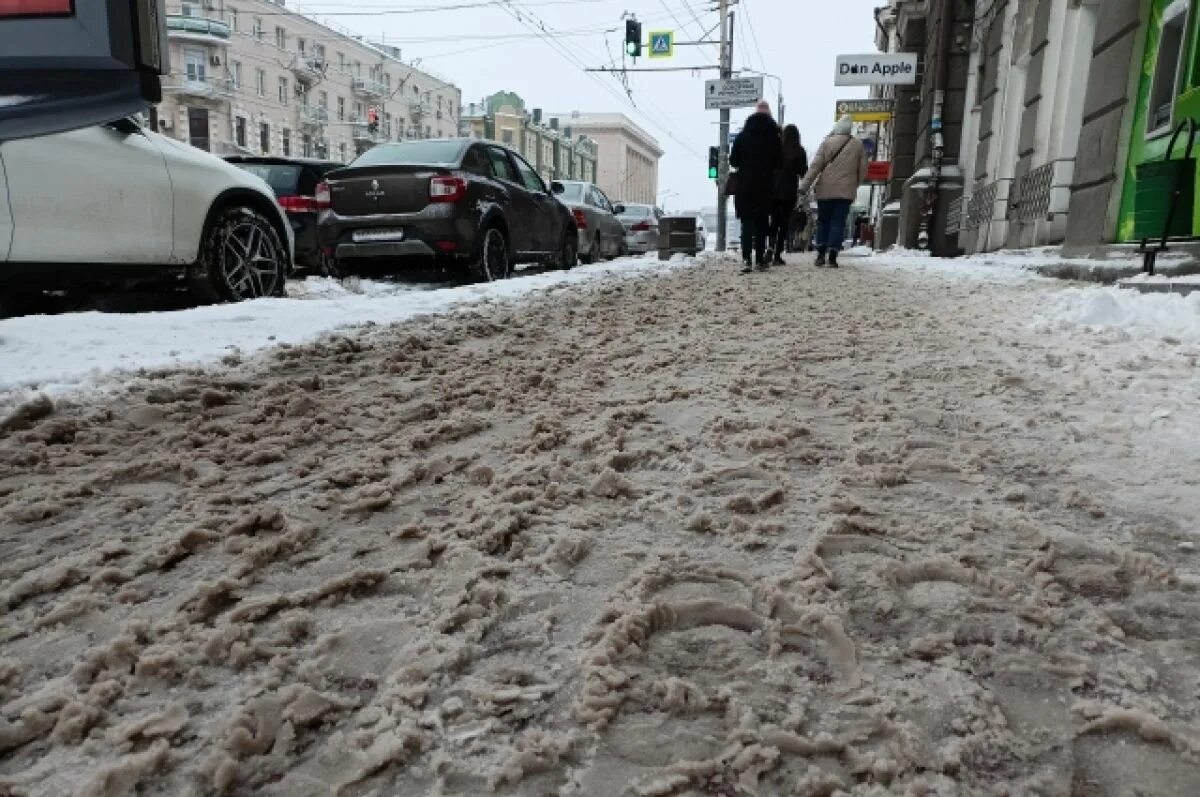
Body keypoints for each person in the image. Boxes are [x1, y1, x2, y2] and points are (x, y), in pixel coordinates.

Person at [799, 114, 869, 268]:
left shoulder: (827, 143)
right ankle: (832, 255)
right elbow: (863, 169)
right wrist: (855, 183)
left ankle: (820, 254)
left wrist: (804, 186)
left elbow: (815, 166)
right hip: (845, 193)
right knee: (838, 222)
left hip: (825, 191)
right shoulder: (857, 145)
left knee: (823, 222)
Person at [729, 99, 782, 272]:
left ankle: (746, 259)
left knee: (747, 223)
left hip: (745, 185)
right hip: (765, 185)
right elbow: (779, 162)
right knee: (761, 223)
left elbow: (734, 160)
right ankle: (760, 259)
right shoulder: (774, 136)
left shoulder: (742, 135)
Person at [769, 124, 808, 265]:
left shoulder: (776, 149)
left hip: (773, 190)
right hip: (789, 192)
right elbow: (803, 172)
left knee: (774, 221)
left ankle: (770, 247)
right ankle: (777, 255)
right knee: (784, 224)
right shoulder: (799, 151)